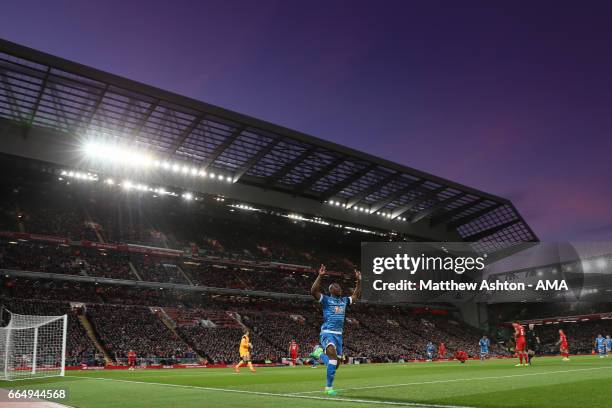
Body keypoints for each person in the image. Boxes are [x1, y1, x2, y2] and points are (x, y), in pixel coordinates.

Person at [311, 264, 361, 396]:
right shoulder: (326, 300)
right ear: (331, 290)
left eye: (339, 286)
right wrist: (320, 276)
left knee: (335, 364)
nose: (339, 287)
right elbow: (313, 291)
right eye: (336, 287)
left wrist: (359, 281)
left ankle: (319, 354)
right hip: (327, 333)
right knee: (333, 357)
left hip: (339, 335)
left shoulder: (344, 300)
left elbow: (356, 295)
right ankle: (328, 388)